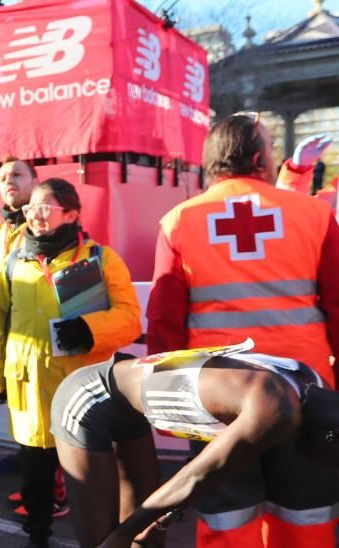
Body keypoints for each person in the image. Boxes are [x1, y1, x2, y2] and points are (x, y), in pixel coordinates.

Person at [148, 114, 339, 546]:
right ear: (258, 158)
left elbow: (164, 321)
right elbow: (338, 305)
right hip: (304, 391)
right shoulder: (313, 214)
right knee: (305, 511)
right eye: (271, 149)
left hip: (218, 397)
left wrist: (165, 405)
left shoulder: (178, 222)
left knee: (228, 517)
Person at [0, 178, 141, 547]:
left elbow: (131, 318)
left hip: (82, 393)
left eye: (44, 208)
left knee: (89, 482)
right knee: (34, 481)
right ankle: (37, 537)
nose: (34, 216)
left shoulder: (100, 259)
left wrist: (88, 329)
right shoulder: (13, 262)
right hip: (30, 391)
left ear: (71, 213)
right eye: (30, 208)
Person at [50, 347, 339, 548]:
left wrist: (154, 521)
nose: (324, 469)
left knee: (145, 539)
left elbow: (212, 473)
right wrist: (126, 532)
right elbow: (195, 476)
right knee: (107, 541)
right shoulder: (276, 411)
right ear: (329, 437)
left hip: (130, 408)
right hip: (87, 398)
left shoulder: (312, 383)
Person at [0, 157, 38, 279]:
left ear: (35, 183)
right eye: (2, 179)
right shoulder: (2, 229)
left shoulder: (47, 225)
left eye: (16, 174)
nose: (9, 181)